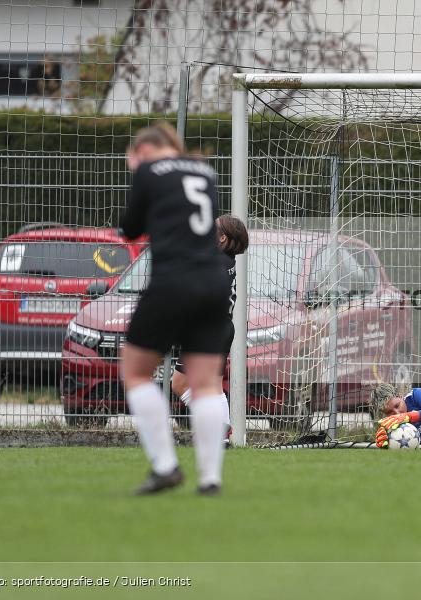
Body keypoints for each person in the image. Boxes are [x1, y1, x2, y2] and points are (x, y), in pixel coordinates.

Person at [120, 122, 231, 495]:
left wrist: (142, 185)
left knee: (135, 372)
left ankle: (166, 467)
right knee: (204, 384)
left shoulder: (149, 171)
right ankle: (211, 478)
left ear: (144, 151)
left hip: (173, 279)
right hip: (214, 282)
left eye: (131, 161)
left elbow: (130, 229)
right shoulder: (205, 170)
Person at [171, 215, 249, 446]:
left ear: (222, 237)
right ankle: (220, 433)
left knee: (180, 383)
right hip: (220, 329)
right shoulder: (224, 260)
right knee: (211, 386)